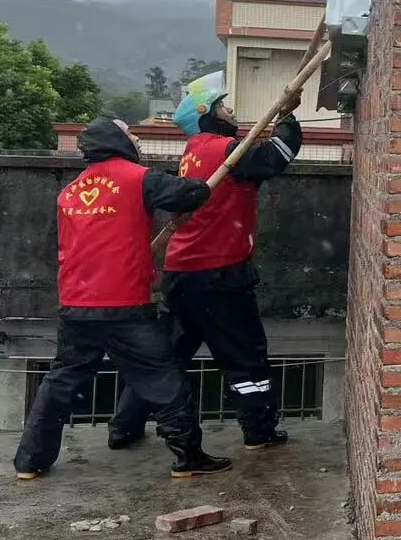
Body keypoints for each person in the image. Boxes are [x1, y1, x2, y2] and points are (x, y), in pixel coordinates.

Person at [14, 118, 230, 480]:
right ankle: (188, 455)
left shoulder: (70, 191)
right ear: (116, 139)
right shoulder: (137, 178)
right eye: (130, 132)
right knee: (164, 379)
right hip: (124, 304)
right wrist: (200, 183)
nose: (136, 137)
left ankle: (30, 460)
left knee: (61, 381)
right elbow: (190, 194)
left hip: (76, 302)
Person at [108, 73, 301, 452]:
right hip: (220, 274)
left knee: (166, 358)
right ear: (207, 114)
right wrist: (287, 118)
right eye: (223, 106)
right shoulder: (223, 150)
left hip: (182, 273)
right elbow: (277, 156)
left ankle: (124, 427)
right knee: (244, 355)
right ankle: (259, 431)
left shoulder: (194, 151)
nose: (230, 111)